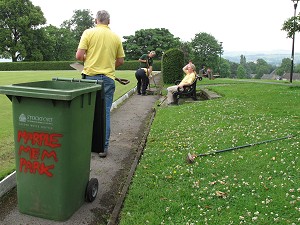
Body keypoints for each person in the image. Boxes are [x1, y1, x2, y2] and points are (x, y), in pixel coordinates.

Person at [76, 10, 125, 158]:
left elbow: (79, 56)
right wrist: (108, 67)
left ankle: (85, 145)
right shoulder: (116, 37)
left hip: (89, 77)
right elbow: (121, 61)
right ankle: (103, 148)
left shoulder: (88, 33)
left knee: (86, 113)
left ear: (95, 20)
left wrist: (88, 58)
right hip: (108, 79)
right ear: (108, 21)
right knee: (105, 114)